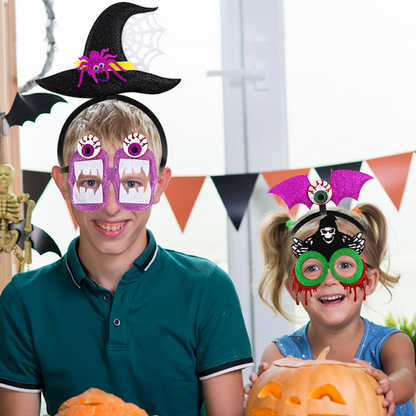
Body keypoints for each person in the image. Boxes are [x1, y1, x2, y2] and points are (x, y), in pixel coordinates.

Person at [0, 98, 253, 416]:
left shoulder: (208, 288)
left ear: (158, 185)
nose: (110, 206)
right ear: (65, 184)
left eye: (131, 183)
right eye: (90, 182)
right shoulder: (23, 300)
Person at [245, 202, 416, 416]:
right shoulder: (281, 355)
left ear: (369, 282)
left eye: (344, 265)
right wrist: (263, 392)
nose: (328, 279)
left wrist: (390, 387)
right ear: (294, 289)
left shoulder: (390, 343)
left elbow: (406, 376)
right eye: (312, 268)